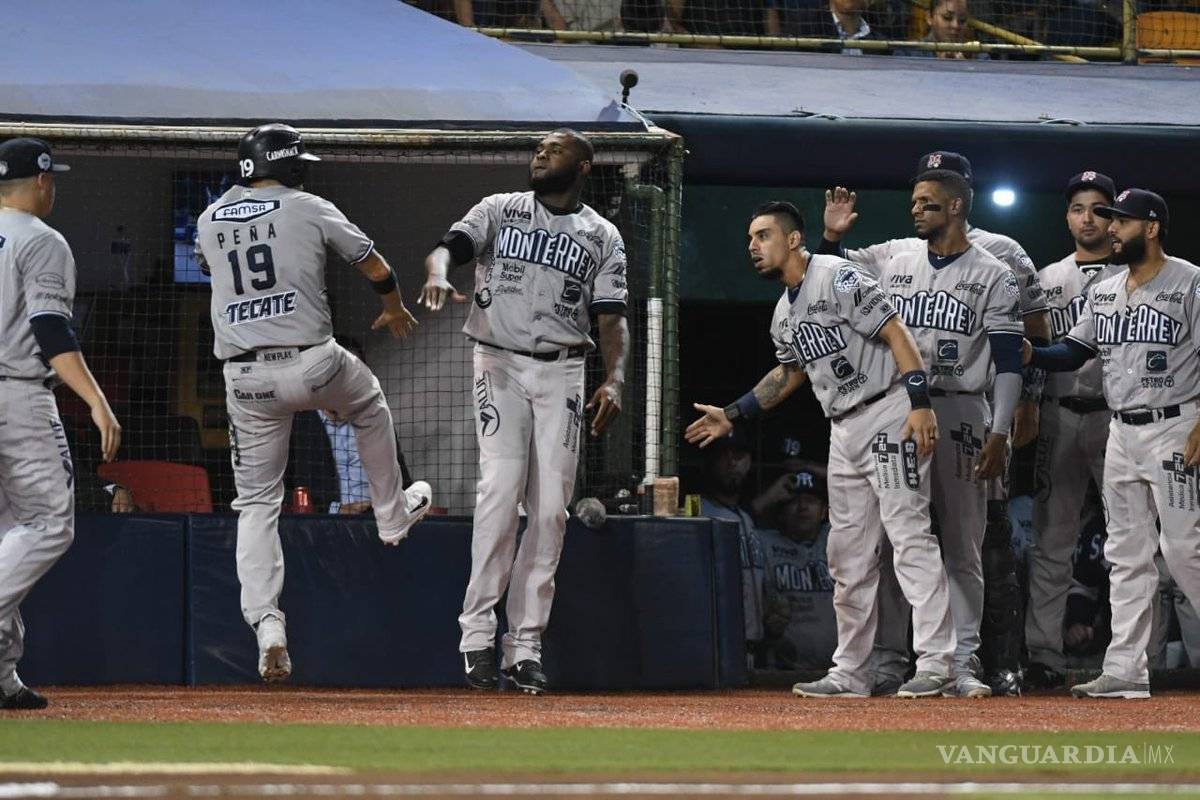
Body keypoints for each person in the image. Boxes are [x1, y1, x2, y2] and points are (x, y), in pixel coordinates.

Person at [687, 200, 956, 699]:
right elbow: (789, 372)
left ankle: (939, 661)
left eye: (763, 235)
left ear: (793, 239)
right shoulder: (782, 312)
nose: (753, 246)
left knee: (909, 535)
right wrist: (734, 412)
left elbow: (896, 332)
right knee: (846, 555)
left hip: (887, 411)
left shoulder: (838, 277)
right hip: (844, 429)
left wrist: (920, 403)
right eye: (750, 238)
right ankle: (851, 671)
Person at [195, 124, 433, 684]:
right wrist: (395, 307)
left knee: (256, 504)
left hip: (246, 376)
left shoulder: (208, 219)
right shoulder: (308, 204)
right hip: (314, 362)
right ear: (288, 165)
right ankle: (392, 517)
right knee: (369, 405)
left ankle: (267, 624)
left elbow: (215, 269)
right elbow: (375, 267)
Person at [822, 152, 1050, 696]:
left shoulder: (994, 269)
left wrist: (1000, 431)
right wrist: (830, 237)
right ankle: (891, 658)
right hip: (901, 406)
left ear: (957, 205)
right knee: (902, 537)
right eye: (914, 202)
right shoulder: (895, 255)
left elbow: (1010, 359)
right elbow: (832, 278)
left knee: (963, 542)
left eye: (927, 203)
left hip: (965, 405)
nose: (917, 211)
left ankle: (962, 662)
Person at [420, 129, 630, 695]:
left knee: (551, 509)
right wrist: (438, 271)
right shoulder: (499, 209)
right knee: (499, 491)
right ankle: (476, 639)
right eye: (537, 148)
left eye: (554, 149)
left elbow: (611, 317)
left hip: (563, 368)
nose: (541, 154)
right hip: (499, 362)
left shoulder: (601, 235)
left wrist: (614, 378)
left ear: (584, 164)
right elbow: (449, 247)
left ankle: (525, 646)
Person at [1026, 188, 1200, 699]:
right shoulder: (1105, 291)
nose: (1110, 229)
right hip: (1121, 430)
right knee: (1127, 552)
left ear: (1151, 227)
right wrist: (1028, 350)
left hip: (1175, 422)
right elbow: (1072, 351)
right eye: (1109, 220)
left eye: (1120, 221)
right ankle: (1126, 668)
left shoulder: (1190, 282)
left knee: (1186, 546)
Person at [0, 137, 122, 709]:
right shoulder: (41, 240)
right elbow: (52, 331)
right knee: (49, 525)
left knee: (9, 534)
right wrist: (96, 399)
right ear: (42, 180)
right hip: (16, 396)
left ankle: (1, 674)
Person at [1024, 170, 1120, 689]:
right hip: (1062, 411)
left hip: (1117, 415)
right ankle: (1043, 654)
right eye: (1079, 208)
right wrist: (1029, 406)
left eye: (1099, 208)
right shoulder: (1048, 277)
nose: (1088, 217)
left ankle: (1133, 657)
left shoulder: (1135, 274)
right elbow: (1035, 353)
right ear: (1067, 216)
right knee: (1052, 540)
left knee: (1130, 542)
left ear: (1116, 217)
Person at [756, 469, 839, 671]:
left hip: (839, 667)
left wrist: (805, 464)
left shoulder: (838, 538)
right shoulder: (763, 542)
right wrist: (767, 499)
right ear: (781, 513)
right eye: (793, 502)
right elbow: (737, 524)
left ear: (824, 512)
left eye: (810, 500)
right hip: (783, 668)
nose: (802, 507)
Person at [698, 427, 767, 662]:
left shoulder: (747, 519)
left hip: (753, 647)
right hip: (715, 647)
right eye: (722, 454)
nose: (731, 462)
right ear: (707, 461)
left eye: (738, 455)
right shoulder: (698, 515)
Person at [901, 0, 989, 59]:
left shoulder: (980, 56)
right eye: (947, 17)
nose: (955, 26)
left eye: (962, 20)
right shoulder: (908, 53)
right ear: (929, 17)